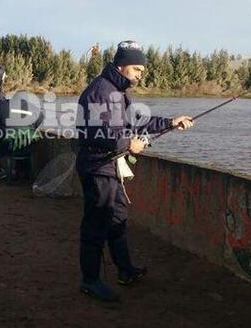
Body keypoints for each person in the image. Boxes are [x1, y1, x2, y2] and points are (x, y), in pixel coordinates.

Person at [76, 40, 193, 301]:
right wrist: (127, 143)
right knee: (96, 223)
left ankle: (125, 270)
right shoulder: (100, 92)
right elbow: (95, 133)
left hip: (109, 167)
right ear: (123, 65)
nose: (141, 74)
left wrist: (171, 122)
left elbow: (137, 121)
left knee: (117, 217)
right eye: (137, 68)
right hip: (97, 168)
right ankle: (90, 280)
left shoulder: (118, 92)